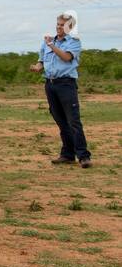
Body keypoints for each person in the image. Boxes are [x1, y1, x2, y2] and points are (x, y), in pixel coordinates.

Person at [30, 11, 92, 168]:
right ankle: (67, 154)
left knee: (73, 121)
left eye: (62, 25)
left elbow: (66, 57)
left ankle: (83, 156)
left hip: (66, 84)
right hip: (50, 84)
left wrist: (52, 45)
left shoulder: (74, 42)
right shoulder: (48, 42)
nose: (58, 27)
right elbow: (41, 60)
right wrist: (37, 67)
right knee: (61, 121)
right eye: (57, 24)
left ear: (70, 26)